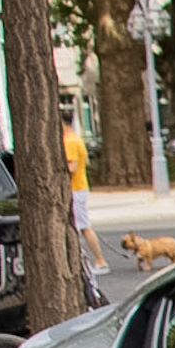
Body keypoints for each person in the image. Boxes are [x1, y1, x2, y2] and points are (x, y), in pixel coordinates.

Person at [61, 106, 108, 276]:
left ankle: (100, 260)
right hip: (79, 187)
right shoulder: (75, 139)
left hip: (76, 188)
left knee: (83, 226)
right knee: (79, 226)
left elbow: (71, 166)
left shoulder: (69, 141)